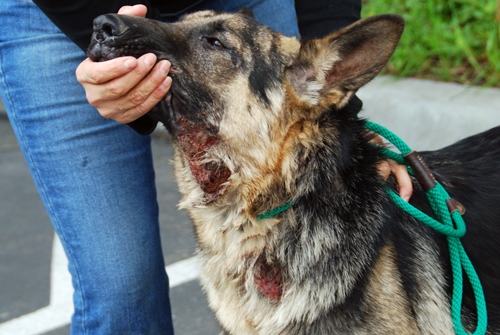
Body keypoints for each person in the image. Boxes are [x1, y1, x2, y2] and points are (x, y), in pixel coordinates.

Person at [0, 0, 411, 334]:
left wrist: (342, 121)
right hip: (59, 14)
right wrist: (124, 48)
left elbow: (318, 83)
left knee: (311, 193)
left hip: (228, 10)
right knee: (121, 287)